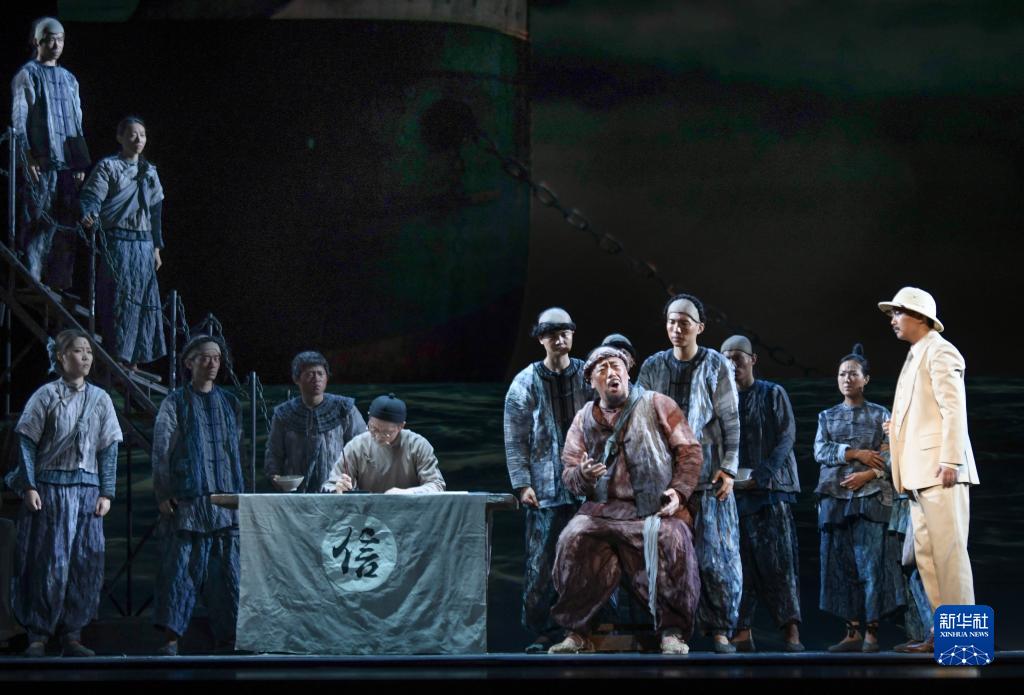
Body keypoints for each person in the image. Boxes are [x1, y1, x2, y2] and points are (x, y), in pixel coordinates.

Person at [547, 346, 702, 655]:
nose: (611, 373)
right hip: (601, 511)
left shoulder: (658, 404)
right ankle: (576, 632)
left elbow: (689, 451)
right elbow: (569, 471)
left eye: (615, 366)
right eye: (602, 369)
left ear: (627, 372)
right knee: (572, 538)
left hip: (651, 509)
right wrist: (583, 475)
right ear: (591, 381)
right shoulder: (583, 418)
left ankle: (672, 631)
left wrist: (678, 492)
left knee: (673, 539)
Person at [3, 329, 122, 657]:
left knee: (84, 563)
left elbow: (109, 448)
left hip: (87, 493)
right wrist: (29, 485)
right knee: (47, 561)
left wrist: (107, 492)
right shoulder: (46, 395)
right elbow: (27, 442)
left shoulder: (101, 399)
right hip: (50, 491)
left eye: (89, 352)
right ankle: (38, 634)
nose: (85, 356)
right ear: (60, 356)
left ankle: (73, 633)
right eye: (78, 350)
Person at [636, 293, 742, 653]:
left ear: (700, 326)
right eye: (671, 321)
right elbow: (641, 419)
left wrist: (729, 468)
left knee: (717, 557)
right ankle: (674, 630)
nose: (676, 328)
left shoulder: (715, 364)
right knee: (671, 556)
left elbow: (730, 419)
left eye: (684, 322)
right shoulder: (653, 365)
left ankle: (720, 629)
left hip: (709, 476)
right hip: (667, 480)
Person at [879, 287, 980, 651]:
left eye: (898, 313)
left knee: (950, 557)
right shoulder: (915, 355)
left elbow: (954, 409)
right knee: (928, 558)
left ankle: (964, 643)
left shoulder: (941, 351)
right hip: (920, 474)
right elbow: (925, 410)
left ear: (920, 317)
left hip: (941, 470)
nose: (893, 320)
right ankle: (943, 634)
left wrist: (950, 459)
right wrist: (897, 429)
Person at [152, 334, 245, 656]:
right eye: (205, 357)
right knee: (181, 570)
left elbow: (235, 452)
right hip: (190, 501)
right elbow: (162, 450)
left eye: (216, 358)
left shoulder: (230, 403)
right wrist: (164, 492)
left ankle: (229, 639)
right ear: (189, 362)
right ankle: (171, 639)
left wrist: (240, 495)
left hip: (225, 502)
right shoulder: (175, 402)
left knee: (227, 572)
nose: (212, 364)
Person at [503, 308, 591, 652]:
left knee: (588, 560)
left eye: (565, 332)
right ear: (541, 338)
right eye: (552, 333)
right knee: (542, 563)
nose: (560, 339)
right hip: (545, 489)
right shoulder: (525, 381)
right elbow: (515, 437)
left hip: (587, 488)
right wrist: (522, 483)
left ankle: (586, 629)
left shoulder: (588, 375)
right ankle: (544, 631)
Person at [812, 343, 905, 652]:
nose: (846, 379)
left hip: (872, 497)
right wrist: (855, 453)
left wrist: (868, 474)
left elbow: (891, 454)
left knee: (871, 566)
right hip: (834, 498)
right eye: (842, 374)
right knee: (842, 567)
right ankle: (852, 631)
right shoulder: (827, 416)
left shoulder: (881, 414)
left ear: (866, 379)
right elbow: (820, 451)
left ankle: (872, 633)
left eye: (853, 374)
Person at [720, 335, 804, 652]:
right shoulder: (721, 400)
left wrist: (765, 472)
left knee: (779, 562)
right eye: (726, 358)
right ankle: (742, 629)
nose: (732, 363)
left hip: (771, 491)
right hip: (735, 493)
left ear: (752, 359)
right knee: (739, 563)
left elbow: (787, 435)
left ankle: (791, 630)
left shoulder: (772, 393)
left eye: (738, 357)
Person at [79, 116, 166, 368]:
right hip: (118, 241)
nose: (138, 139)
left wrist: (156, 248)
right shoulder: (109, 167)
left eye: (143, 135)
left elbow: (156, 212)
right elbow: (92, 195)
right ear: (120, 137)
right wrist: (89, 212)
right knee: (119, 298)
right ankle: (118, 353)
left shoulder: (149, 171)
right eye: (132, 134)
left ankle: (136, 358)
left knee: (143, 301)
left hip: (144, 244)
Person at [11, 17, 89, 289]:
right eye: (50, 39)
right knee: (36, 221)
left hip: (66, 166)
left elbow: (76, 121)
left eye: (60, 39)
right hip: (42, 163)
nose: (56, 45)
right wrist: (27, 156)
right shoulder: (27, 75)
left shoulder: (69, 79)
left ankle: (58, 284)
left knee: (64, 224)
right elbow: (20, 119)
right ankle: (31, 279)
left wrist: (79, 162)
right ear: (38, 41)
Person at [265, 351, 366, 493]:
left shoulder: (344, 409)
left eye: (320, 373)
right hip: (296, 492)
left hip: (338, 490)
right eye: (309, 374)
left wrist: (352, 480)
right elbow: (274, 452)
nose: (316, 379)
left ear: (327, 377)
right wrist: (275, 476)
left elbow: (361, 447)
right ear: (297, 379)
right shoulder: (284, 414)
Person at [330, 393, 445, 494]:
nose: (378, 437)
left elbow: (436, 485)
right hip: (368, 509)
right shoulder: (357, 446)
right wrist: (338, 488)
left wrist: (408, 493)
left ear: (401, 426)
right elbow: (330, 485)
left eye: (386, 433)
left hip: (410, 508)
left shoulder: (417, 445)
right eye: (373, 429)